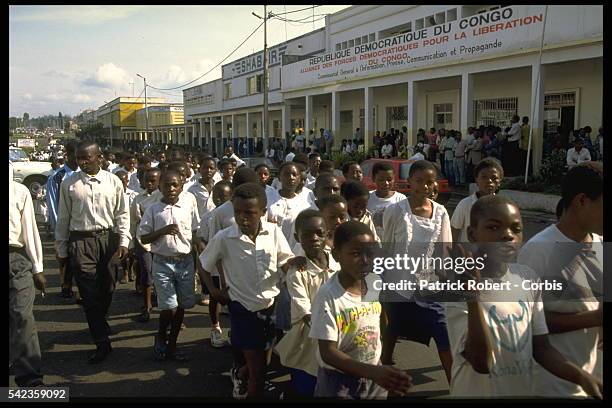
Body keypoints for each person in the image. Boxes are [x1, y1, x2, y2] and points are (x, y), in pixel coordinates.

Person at [445, 195, 602, 398]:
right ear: (472, 234)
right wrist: (474, 298)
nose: (507, 235)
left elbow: (541, 347)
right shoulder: (458, 288)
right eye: (494, 227)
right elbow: (481, 362)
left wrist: (581, 377)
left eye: (516, 229)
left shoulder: (527, 278)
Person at [199, 183, 295, 398]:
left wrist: (293, 269)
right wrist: (213, 291)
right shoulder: (225, 238)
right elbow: (204, 263)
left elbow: (284, 259)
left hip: (271, 305)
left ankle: (240, 374)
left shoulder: (273, 232)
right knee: (259, 372)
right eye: (237, 212)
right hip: (243, 308)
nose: (242, 218)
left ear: (263, 211)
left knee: (266, 360)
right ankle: (250, 385)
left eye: (249, 213)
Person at [518, 162, 603, 397]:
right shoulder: (539, 250)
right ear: (582, 200)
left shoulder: (601, 245)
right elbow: (524, 322)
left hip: (594, 379)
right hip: (554, 386)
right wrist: (594, 318)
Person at [309, 221, 413, 399]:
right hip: (339, 383)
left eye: (370, 253)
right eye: (355, 254)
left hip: (373, 374)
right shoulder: (328, 295)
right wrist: (372, 372)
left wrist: (383, 366)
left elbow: (380, 320)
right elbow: (328, 352)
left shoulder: (374, 281)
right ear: (336, 255)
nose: (365, 261)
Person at [55, 141, 130, 363]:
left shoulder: (113, 181)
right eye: (79, 158)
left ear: (99, 158)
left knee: (107, 287)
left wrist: (124, 241)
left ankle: (99, 321)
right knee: (88, 293)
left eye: (87, 158)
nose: (82, 162)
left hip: (108, 240)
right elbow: (63, 218)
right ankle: (101, 341)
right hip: (80, 241)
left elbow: (122, 213)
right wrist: (61, 249)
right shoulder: (69, 183)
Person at [380, 160, 453, 383]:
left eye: (429, 182)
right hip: (398, 284)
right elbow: (387, 245)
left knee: (443, 332)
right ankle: (384, 374)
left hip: (429, 285)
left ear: (435, 185)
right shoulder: (395, 210)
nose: (424, 186)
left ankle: (457, 385)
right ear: (409, 182)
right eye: (419, 181)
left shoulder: (440, 212)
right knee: (392, 328)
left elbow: (445, 247)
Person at [275, 210, 341, 396]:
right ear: (297, 237)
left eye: (319, 233)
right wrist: (330, 329)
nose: (314, 238)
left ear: (327, 234)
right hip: (308, 338)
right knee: (307, 382)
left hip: (338, 331)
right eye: (307, 234)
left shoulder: (337, 259)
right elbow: (304, 310)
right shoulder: (297, 271)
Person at [138, 169, 200, 362]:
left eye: (175, 185)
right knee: (169, 307)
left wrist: (199, 257)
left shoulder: (188, 205)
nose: (171, 188)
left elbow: (195, 231)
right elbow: (143, 236)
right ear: (160, 186)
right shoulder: (153, 210)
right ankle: (161, 334)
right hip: (163, 262)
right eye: (166, 185)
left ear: (181, 186)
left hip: (185, 261)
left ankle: (172, 343)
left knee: (182, 305)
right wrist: (163, 231)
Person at [9, 163, 46, 387]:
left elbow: (30, 230)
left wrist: (37, 267)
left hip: (15, 260)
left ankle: (30, 378)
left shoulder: (19, 191)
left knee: (22, 315)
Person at [196, 180, 233, 348]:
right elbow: (201, 238)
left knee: (234, 298)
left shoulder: (233, 215)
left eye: (223, 196)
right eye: (216, 195)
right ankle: (215, 326)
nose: (219, 199)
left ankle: (234, 329)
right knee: (215, 296)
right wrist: (208, 251)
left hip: (230, 264)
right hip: (214, 264)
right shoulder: (208, 216)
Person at [46, 140, 79, 299]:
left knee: (79, 260)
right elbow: (53, 204)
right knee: (64, 257)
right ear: (68, 155)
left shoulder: (84, 175)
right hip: (64, 225)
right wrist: (59, 228)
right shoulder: (58, 177)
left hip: (79, 226)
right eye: (77, 155)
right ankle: (65, 285)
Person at [131, 168, 163, 323]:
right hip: (142, 239)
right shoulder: (138, 199)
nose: (149, 184)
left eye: (153, 180)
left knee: (161, 272)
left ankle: (163, 303)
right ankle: (147, 305)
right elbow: (135, 220)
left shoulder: (162, 198)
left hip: (160, 239)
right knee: (146, 270)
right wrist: (131, 242)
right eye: (147, 180)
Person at [451, 158, 504, 243]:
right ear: (476, 180)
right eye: (484, 177)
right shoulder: (465, 204)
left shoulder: (503, 208)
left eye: (494, 178)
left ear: (500, 181)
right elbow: (454, 231)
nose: (489, 181)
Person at [367, 162, 406, 238]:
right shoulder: (368, 197)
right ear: (374, 179)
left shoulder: (401, 199)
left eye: (389, 179)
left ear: (394, 179)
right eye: (381, 180)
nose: (386, 183)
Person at [114, 170, 138, 284]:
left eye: (124, 181)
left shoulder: (133, 194)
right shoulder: (111, 194)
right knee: (122, 250)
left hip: (132, 226)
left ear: (127, 181)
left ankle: (131, 268)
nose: (121, 184)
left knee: (132, 252)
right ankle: (125, 272)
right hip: (118, 227)